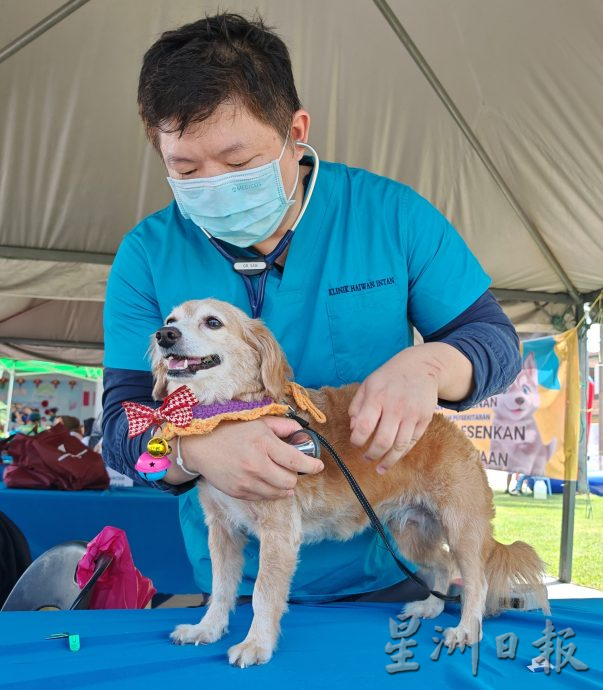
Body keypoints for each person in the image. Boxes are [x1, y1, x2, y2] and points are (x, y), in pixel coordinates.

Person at [102, 13, 521, 604]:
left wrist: (430, 367)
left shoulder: (391, 218)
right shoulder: (147, 255)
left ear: (295, 130)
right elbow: (121, 425)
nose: (214, 185)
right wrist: (190, 449)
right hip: (234, 582)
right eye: (186, 170)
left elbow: (496, 343)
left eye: (239, 162)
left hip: (387, 568)